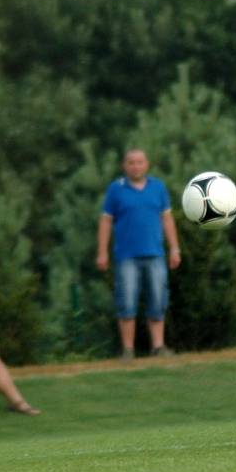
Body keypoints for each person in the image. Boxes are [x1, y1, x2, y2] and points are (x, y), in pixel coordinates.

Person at [96, 148, 181, 359]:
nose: (136, 166)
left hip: (155, 254)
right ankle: (128, 350)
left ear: (147, 164)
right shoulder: (116, 190)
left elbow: (167, 219)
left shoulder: (158, 188)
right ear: (125, 166)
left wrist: (174, 248)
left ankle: (158, 347)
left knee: (158, 299)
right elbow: (106, 221)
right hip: (126, 256)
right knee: (126, 301)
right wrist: (102, 252)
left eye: (140, 162)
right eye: (131, 162)